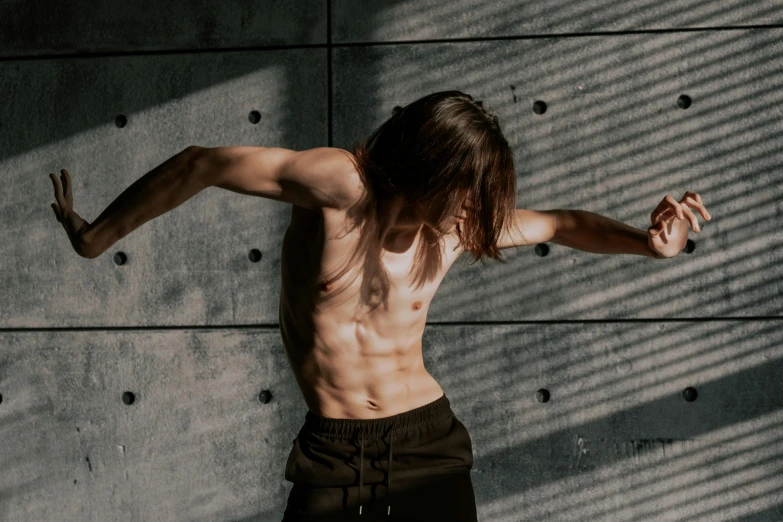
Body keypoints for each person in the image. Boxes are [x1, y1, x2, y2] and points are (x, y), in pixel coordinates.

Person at [49, 90, 711, 521]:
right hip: (333, 446)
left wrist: (650, 246)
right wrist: (95, 238)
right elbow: (202, 163)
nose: (475, 209)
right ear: (428, 167)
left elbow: (562, 223)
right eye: (465, 189)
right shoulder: (340, 188)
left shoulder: (455, 230)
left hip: (427, 439)